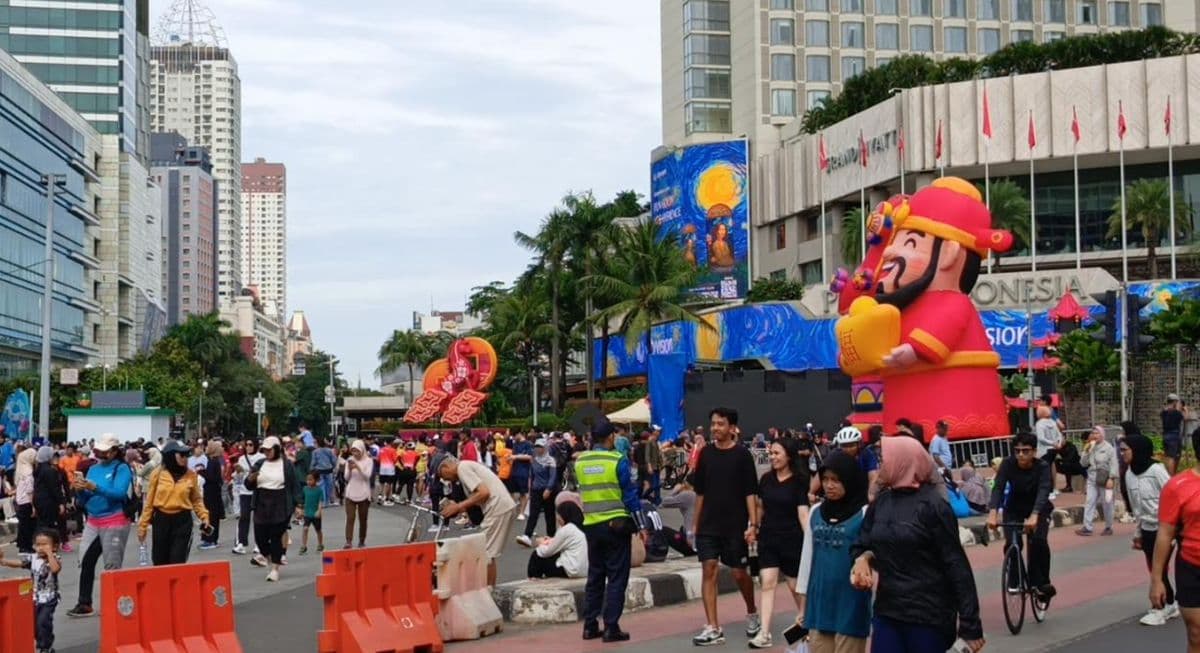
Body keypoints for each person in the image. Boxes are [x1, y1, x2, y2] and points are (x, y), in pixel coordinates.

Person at [851, 436, 984, 652]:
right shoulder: (881, 503)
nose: (879, 465)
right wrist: (861, 559)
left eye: (884, 459)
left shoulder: (934, 506)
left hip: (929, 617)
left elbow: (956, 564)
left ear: (902, 461)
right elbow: (862, 542)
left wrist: (970, 624)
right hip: (888, 613)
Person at [691, 407, 761, 647]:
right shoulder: (706, 454)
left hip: (735, 526)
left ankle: (752, 612)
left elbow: (750, 492)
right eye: (713, 424)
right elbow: (699, 492)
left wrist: (753, 524)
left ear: (732, 428)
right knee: (708, 569)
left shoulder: (742, 455)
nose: (715, 428)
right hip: (709, 525)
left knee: (739, 574)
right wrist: (695, 525)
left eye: (720, 424)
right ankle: (713, 627)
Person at [575, 417, 646, 643]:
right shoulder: (618, 460)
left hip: (591, 526)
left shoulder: (580, 462)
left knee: (595, 576)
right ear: (610, 437)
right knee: (616, 577)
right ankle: (611, 627)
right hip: (616, 526)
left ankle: (589, 625)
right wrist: (642, 525)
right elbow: (630, 497)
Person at [798, 451, 872, 653]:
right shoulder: (815, 512)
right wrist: (803, 608)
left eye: (836, 480)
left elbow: (874, 553)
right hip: (819, 605)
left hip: (851, 604)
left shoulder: (865, 513)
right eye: (825, 479)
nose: (829, 485)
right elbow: (807, 562)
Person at [749, 438, 810, 649]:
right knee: (767, 582)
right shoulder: (765, 479)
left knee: (795, 586)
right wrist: (753, 527)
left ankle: (808, 622)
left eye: (777, 453)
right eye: (771, 453)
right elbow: (760, 507)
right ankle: (764, 633)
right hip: (768, 539)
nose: (773, 457)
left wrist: (810, 542)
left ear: (789, 456)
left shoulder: (799, 482)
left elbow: (803, 514)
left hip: (792, 540)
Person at [66, 433, 133, 618]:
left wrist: (95, 488)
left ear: (114, 451)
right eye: (99, 450)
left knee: (112, 564)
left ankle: (114, 602)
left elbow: (119, 493)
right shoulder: (94, 468)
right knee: (86, 560)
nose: (101, 454)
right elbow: (86, 498)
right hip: (94, 520)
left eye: (104, 451)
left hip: (115, 520)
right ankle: (84, 602)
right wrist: (81, 490)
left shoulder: (122, 468)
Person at [987, 431, 1056, 602]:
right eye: (1017, 450)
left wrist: (1034, 515)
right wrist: (993, 512)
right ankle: (1014, 578)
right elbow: (998, 487)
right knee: (1012, 542)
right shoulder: (1008, 464)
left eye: (1025, 451)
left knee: (1039, 541)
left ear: (1034, 451)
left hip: (1038, 507)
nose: (1020, 455)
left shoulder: (1042, 467)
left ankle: (1041, 583)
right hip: (1014, 507)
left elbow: (1043, 491)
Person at [436, 452, 517, 587]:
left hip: (496, 508)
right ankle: (489, 589)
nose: (446, 479)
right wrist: (459, 509)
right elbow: (479, 496)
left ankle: (487, 591)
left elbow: (484, 493)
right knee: (488, 553)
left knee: (484, 553)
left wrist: (459, 506)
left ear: (445, 467)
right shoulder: (467, 466)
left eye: (442, 475)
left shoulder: (462, 468)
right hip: (501, 506)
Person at [1122, 433, 1177, 626]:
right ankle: (1169, 602)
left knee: (1158, 568)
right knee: (1154, 569)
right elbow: (1137, 507)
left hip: (1164, 528)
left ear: (1137, 450)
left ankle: (1161, 607)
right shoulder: (1129, 474)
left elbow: (1173, 495)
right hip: (1146, 527)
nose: (1122, 454)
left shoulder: (1156, 470)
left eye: (1124, 450)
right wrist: (1138, 533)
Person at [1151, 440, 1200, 649]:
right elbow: (1165, 533)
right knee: (1196, 633)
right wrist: (1156, 580)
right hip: (1191, 566)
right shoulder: (1177, 486)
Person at [138, 440, 211, 565]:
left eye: (186, 455)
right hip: (161, 520)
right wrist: (142, 526)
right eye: (181, 455)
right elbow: (149, 502)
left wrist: (204, 517)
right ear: (170, 456)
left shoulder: (190, 475)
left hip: (182, 521)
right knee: (160, 561)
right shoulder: (158, 474)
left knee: (177, 560)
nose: (185, 458)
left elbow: (196, 500)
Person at [245, 436, 303, 582]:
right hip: (261, 502)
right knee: (260, 537)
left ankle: (275, 568)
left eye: (270, 449)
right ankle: (270, 560)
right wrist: (251, 479)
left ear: (277, 449)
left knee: (276, 536)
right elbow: (248, 483)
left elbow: (294, 485)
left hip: (280, 502)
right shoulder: (259, 464)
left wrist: (299, 505)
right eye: (265, 450)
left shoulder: (286, 465)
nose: (267, 452)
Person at [0, 529, 61, 653]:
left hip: (49, 597)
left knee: (43, 621)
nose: (41, 548)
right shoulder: (33, 558)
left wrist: (50, 554)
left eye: (45, 544)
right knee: (34, 623)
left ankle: (45, 647)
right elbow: (19, 563)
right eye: (38, 544)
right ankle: (41, 642)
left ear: (54, 546)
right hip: (34, 597)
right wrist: (3, 561)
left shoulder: (54, 558)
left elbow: (55, 569)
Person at [527, 502, 588, 580]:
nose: (557, 518)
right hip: (585, 569)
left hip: (572, 570)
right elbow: (561, 542)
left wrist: (541, 544)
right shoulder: (583, 526)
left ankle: (533, 579)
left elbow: (548, 551)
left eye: (558, 515)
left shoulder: (568, 529)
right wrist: (550, 540)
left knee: (537, 553)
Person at [1076, 425, 1118, 537]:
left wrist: (1111, 478)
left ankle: (1109, 526)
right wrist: (1086, 451)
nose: (1095, 435)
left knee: (1107, 503)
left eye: (1097, 433)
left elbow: (1114, 464)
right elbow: (1083, 463)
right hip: (1092, 477)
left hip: (1105, 478)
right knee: (1090, 501)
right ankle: (1087, 527)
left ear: (1102, 434)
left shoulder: (1108, 447)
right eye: (1093, 433)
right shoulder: (1090, 446)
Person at [232, 439, 263, 555]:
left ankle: (258, 544)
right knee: (244, 516)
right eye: (246, 445)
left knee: (258, 519)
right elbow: (239, 478)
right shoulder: (241, 458)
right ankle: (240, 543)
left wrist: (247, 471)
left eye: (251, 445)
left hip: (257, 491)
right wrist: (239, 471)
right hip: (244, 491)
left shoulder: (261, 457)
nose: (248, 447)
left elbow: (260, 472)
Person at [342, 439, 374, 549]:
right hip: (351, 492)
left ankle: (361, 540)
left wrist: (358, 467)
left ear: (362, 450)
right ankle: (348, 541)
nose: (355, 454)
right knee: (350, 517)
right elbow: (346, 477)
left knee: (363, 518)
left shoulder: (368, 461)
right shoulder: (349, 460)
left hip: (363, 492)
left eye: (357, 451)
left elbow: (367, 476)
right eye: (353, 451)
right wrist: (350, 469)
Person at [834, 427, 880, 501]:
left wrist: (871, 495)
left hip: (863, 491)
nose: (848, 449)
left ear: (858, 444)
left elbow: (873, 476)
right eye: (844, 446)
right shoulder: (836, 455)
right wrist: (811, 492)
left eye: (851, 445)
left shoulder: (867, 454)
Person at [32, 446, 65, 541]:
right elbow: (54, 489)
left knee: (41, 524)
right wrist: (61, 502)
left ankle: (39, 544)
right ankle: (46, 547)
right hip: (47, 501)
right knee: (48, 525)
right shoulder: (50, 470)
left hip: (38, 499)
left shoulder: (38, 469)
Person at [198, 440, 225, 550]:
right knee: (209, 515)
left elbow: (213, 478)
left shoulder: (213, 462)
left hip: (212, 493)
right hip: (212, 492)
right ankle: (208, 538)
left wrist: (202, 472)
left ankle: (211, 539)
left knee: (211, 516)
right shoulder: (213, 461)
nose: (206, 448)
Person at [1034, 405, 1063, 499]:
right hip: (1053, 450)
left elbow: (1041, 438)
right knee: (1049, 469)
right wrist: (1058, 444)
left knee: (1043, 471)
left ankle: (1048, 491)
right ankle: (1052, 490)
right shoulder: (1053, 422)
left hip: (1043, 450)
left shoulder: (1040, 423)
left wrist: (1052, 443)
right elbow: (1060, 435)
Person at [13, 447, 36, 554]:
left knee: (23, 525)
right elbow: (30, 490)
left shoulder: (20, 470)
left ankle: (22, 546)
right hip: (27, 501)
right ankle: (27, 546)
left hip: (20, 501)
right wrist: (33, 506)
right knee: (28, 526)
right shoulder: (29, 472)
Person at [300, 471, 325, 554]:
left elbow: (320, 501)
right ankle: (304, 546)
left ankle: (320, 544)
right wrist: (301, 510)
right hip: (307, 513)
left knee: (318, 530)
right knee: (305, 528)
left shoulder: (319, 490)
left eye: (310, 479)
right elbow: (302, 500)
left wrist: (319, 510)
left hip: (315, 514)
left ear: (316, 480)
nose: (308, 481)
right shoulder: (305, 489)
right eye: (307, 480)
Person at [1163, 393, 1186, 475]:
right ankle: (1171, 477)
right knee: (1173, 457)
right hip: (1174, 436)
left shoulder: (1164, 412)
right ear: (1174, 402)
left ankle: (1166, 475)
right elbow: (1185, 418)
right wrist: (1185, 410)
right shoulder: (1176, 413)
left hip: (1165, 435)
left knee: (1167, 456)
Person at [311, 438, 338, 506]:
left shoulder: (315, 451)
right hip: (329, 470)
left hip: (319, 470)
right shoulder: (329, 450)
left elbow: (313, 462)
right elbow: (334, 460)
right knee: (329, 486)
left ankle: (322, 502)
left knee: (321, 485)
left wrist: (311, 469)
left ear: (318, 443)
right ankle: (328, 501)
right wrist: (333, 466)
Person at [377, 439, 397, 506]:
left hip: (382, 468)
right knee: (389, 484)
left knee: (381, 483)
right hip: (390, 469)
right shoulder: (393, 450)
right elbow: (395, 460)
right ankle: (386, 499)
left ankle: (380, 496)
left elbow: (378, 459)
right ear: (391, 443)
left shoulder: (381, 449)